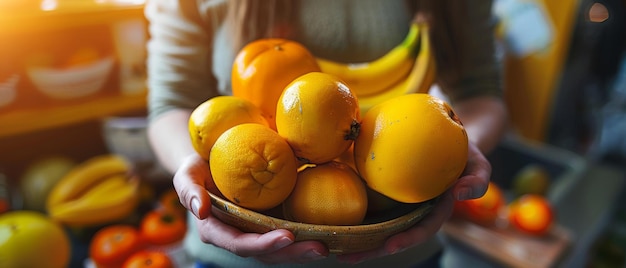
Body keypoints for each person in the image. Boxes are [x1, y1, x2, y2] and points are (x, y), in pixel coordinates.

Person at [144, 0, 508, 266]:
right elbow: (170, 105)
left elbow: (481, 91)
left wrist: (461, 148)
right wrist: (190, 167)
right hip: (232, 248)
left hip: (401, 248)